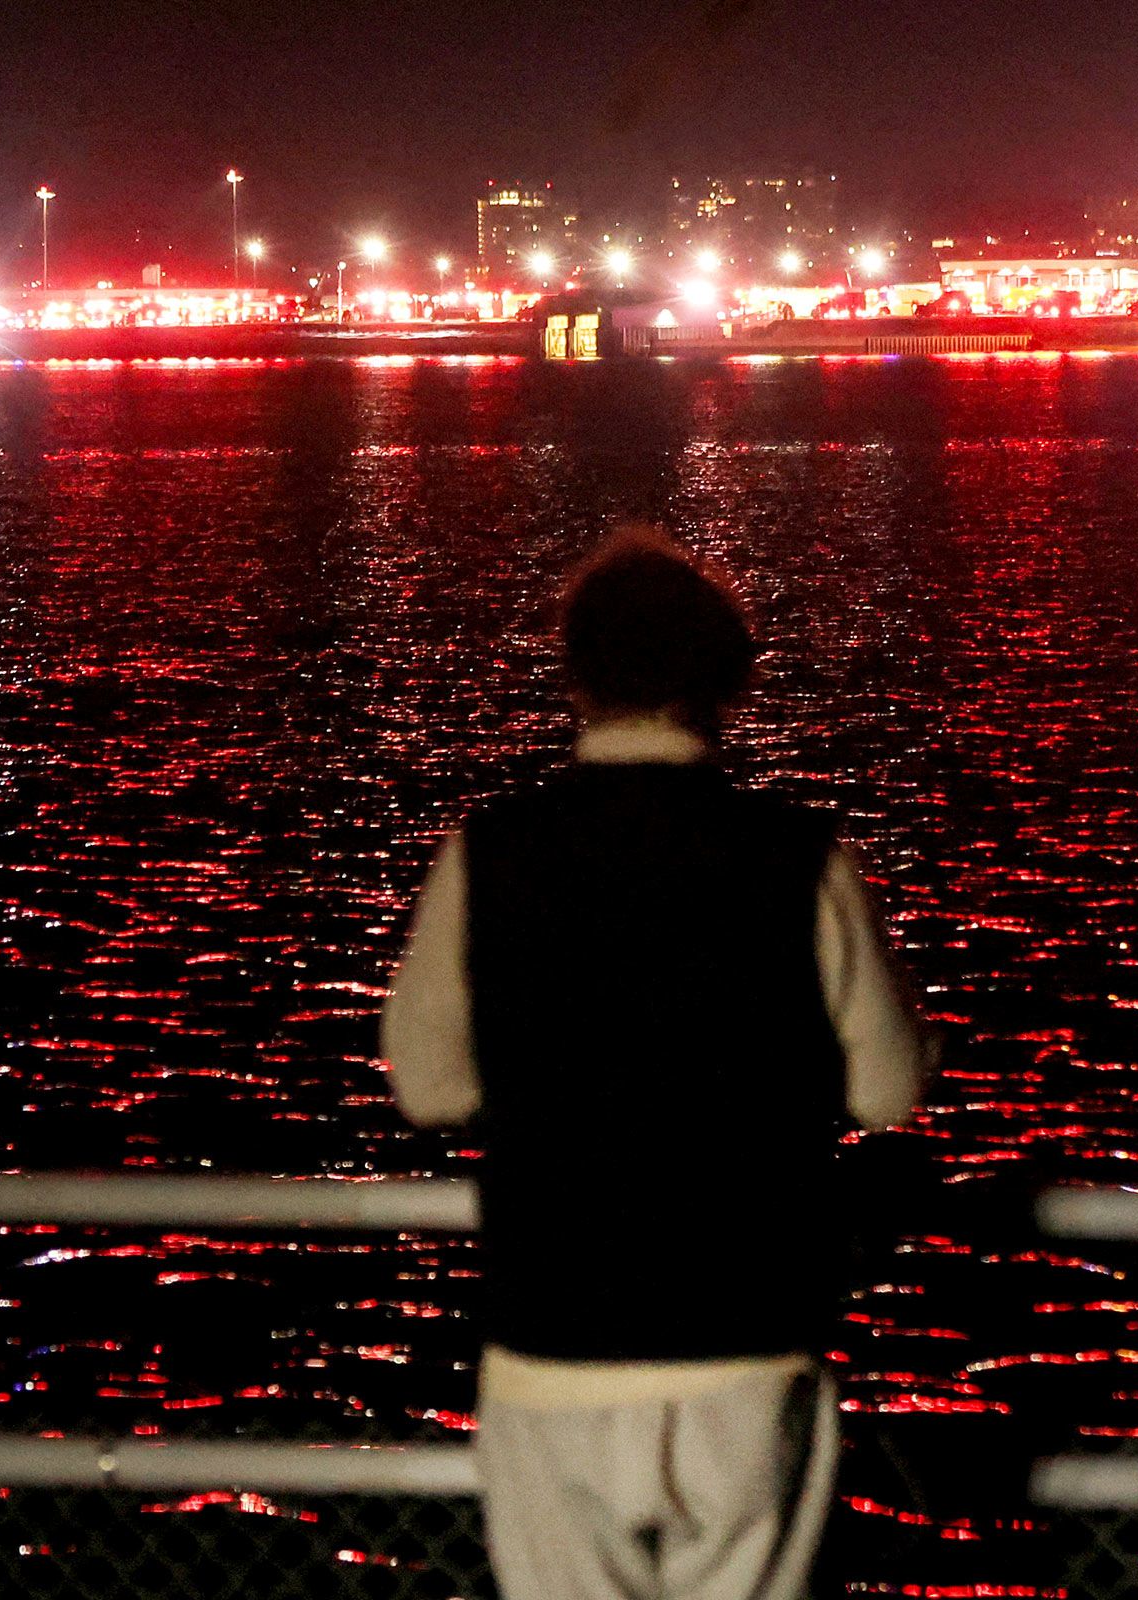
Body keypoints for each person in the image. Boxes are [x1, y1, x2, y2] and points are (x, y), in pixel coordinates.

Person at [381, 526, 929, 1600]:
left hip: (554, 1338)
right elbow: (888, 1090)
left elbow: (430, 1084)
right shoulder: (801, 856)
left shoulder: (488, 853)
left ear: (575, 678)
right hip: (749, 1335)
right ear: (726, 680)